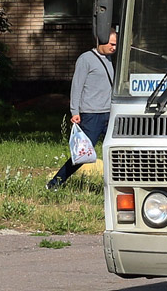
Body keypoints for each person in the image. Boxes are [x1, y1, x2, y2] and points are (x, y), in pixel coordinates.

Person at [47, 31, 117, 190]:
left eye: (115, 44)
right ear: (101, 41)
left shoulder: (109, 59)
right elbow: (77, 86)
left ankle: (116, 185)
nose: (114, 47)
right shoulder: (86, 59)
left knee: (117, 150)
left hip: (109, 113)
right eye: (111, 44)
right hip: (91, 114)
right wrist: (75, 111)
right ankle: (55, 183)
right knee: (82, 155)